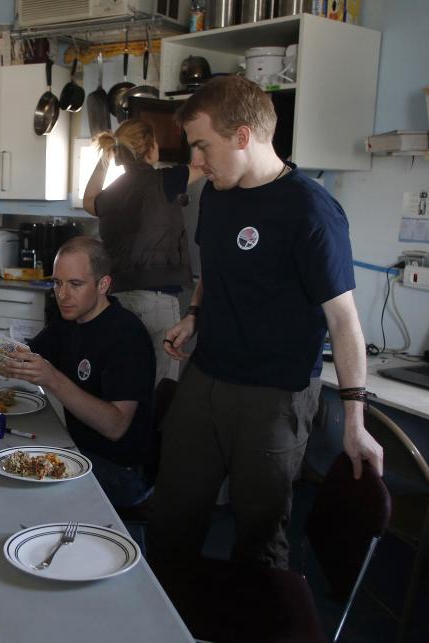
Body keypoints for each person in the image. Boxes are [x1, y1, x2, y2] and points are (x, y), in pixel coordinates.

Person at [147, 76, 384, 570]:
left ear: (242, 136)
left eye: (202, 145)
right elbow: (213, 270)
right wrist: (194, 315)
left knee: (260, 534)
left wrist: (355, 422)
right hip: (207, 377)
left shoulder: (310, 210)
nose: (197, 161)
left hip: (274, 397)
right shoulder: (217, 192)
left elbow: (343, 321)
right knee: (171, 515)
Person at [5, 237, 157, 508]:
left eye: (75, 284)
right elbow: (28, 356)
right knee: (4, 453)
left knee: (22, 488)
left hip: (121, 472)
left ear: (103, 285)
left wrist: (52, 378)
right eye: (57, 283)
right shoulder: (68, 320)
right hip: (79, 449)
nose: (62, 295)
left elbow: (116, 426)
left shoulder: (126, 336)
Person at [83, 120, 204, 385]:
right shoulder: (166, 180)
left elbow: (88, 199)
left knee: (126, 386)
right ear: (150, 149)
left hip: (117, 301)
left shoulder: (113, 192)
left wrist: (106, 157)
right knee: (158, 389)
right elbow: (202, 165)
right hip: (157, 302)